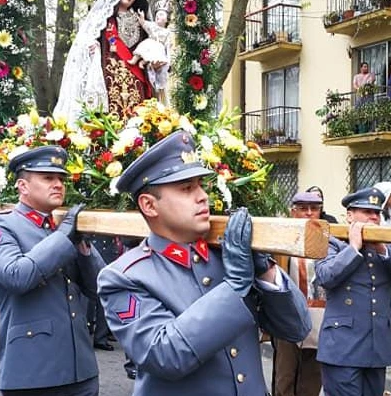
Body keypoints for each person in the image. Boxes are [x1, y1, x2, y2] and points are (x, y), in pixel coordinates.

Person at [98, 130, 311, 395]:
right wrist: (234, 287)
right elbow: (165, 356)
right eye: (186, 189)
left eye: (201, 185)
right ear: (149, 205)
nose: (202, 196)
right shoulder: (124, 276)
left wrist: (265, 269)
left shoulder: (225, 255)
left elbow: (297, 327)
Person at [0, 146, 101, 395]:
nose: (58, 184)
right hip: (30, 372)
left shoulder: (63, 227)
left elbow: (98, 288)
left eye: (61, 179)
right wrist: (64, 237)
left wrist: (83, 246)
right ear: (23, 186)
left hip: (80, 370)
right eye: (48, 178)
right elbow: (17, 277)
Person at [314, 186, 391, 396]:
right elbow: (326, 276)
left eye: (377, 213)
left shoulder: (382, 247)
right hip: (342, 347)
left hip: (376, 345)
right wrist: (353, 248)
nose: (373, 217)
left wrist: (382, 249)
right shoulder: (333, 243)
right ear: (350, 216)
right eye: (367, 212)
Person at [55, 0, 155, 119]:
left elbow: (147, 47)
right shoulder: (102, 17)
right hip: (109, 81)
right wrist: (92, 45)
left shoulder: (140, 19)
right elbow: (86, 40)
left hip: (136, 84)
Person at [272, 191, 326, 396]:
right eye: (303, 209)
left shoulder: (328, 239)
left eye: (314, 209)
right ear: (292, 212)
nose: (309, 213)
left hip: (320, 317)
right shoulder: (282, 237)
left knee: (312, 376)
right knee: (285, 376)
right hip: (289, 316)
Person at [131, 0, 173, 105]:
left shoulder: (167, 33)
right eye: (157, 14)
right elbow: (145, 25)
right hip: (150, 46)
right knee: (144, 48)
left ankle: (143, 62)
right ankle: (137, 60)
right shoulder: (153, 26)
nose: (158, 16)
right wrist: (142, 18)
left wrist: (169, 61)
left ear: (167, 19)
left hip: (159, 51)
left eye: (162, 14)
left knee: (156, 58)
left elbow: (168, 47)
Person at [352, 62, 375, 133]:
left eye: (367, 67)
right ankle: (358, 128)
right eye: (364, 67)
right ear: (361, 68)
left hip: (368, 96)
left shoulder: (370, 75)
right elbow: (354, 85)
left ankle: (370, 128)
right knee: (358, 111)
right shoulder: (356, 76)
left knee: (369, 110)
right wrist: (359, 89)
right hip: (360, 96)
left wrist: (372, 77)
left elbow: (371, 82)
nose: (366, 68)